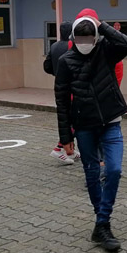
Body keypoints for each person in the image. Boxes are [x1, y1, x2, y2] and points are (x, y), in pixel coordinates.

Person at [54, 8, 127, 252]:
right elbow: (62, 101)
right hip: (84, 126)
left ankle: (101, 222)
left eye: (90, 38)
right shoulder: (65, 61)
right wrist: (65, 137)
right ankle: (103, 224)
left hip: (110, 122)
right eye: (80, 39)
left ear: (96, 36)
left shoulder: (106, 51)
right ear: (73, 39)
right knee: (91, 173)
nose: (85, 44)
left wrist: (102, 25)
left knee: (114, 169)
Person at [44, 21, 79, 164]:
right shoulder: (72, 47)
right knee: (74, 120)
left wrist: (57, 73)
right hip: (72, 87)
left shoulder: (54, 46)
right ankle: (58, 148)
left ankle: (69, 148)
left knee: (67, 119)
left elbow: (47, 66)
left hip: (59, 86)